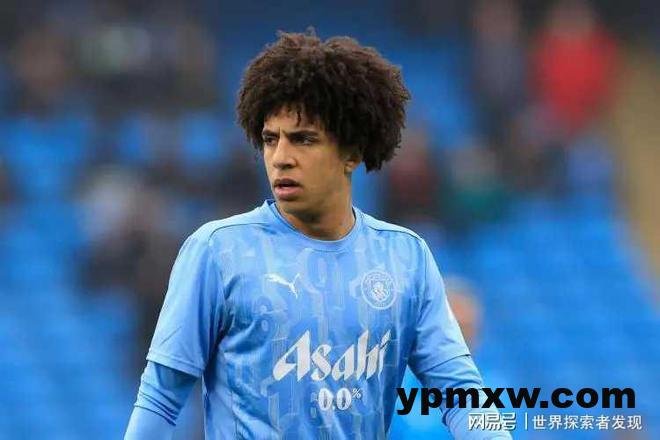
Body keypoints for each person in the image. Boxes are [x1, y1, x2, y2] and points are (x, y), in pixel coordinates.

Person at [124, 30, 511, 439]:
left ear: (352, 152)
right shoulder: (218, 251)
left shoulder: (405, 257)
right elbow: (160, 398)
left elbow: (460, 393)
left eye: (303, 139)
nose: (281, 158)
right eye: (270, 139)